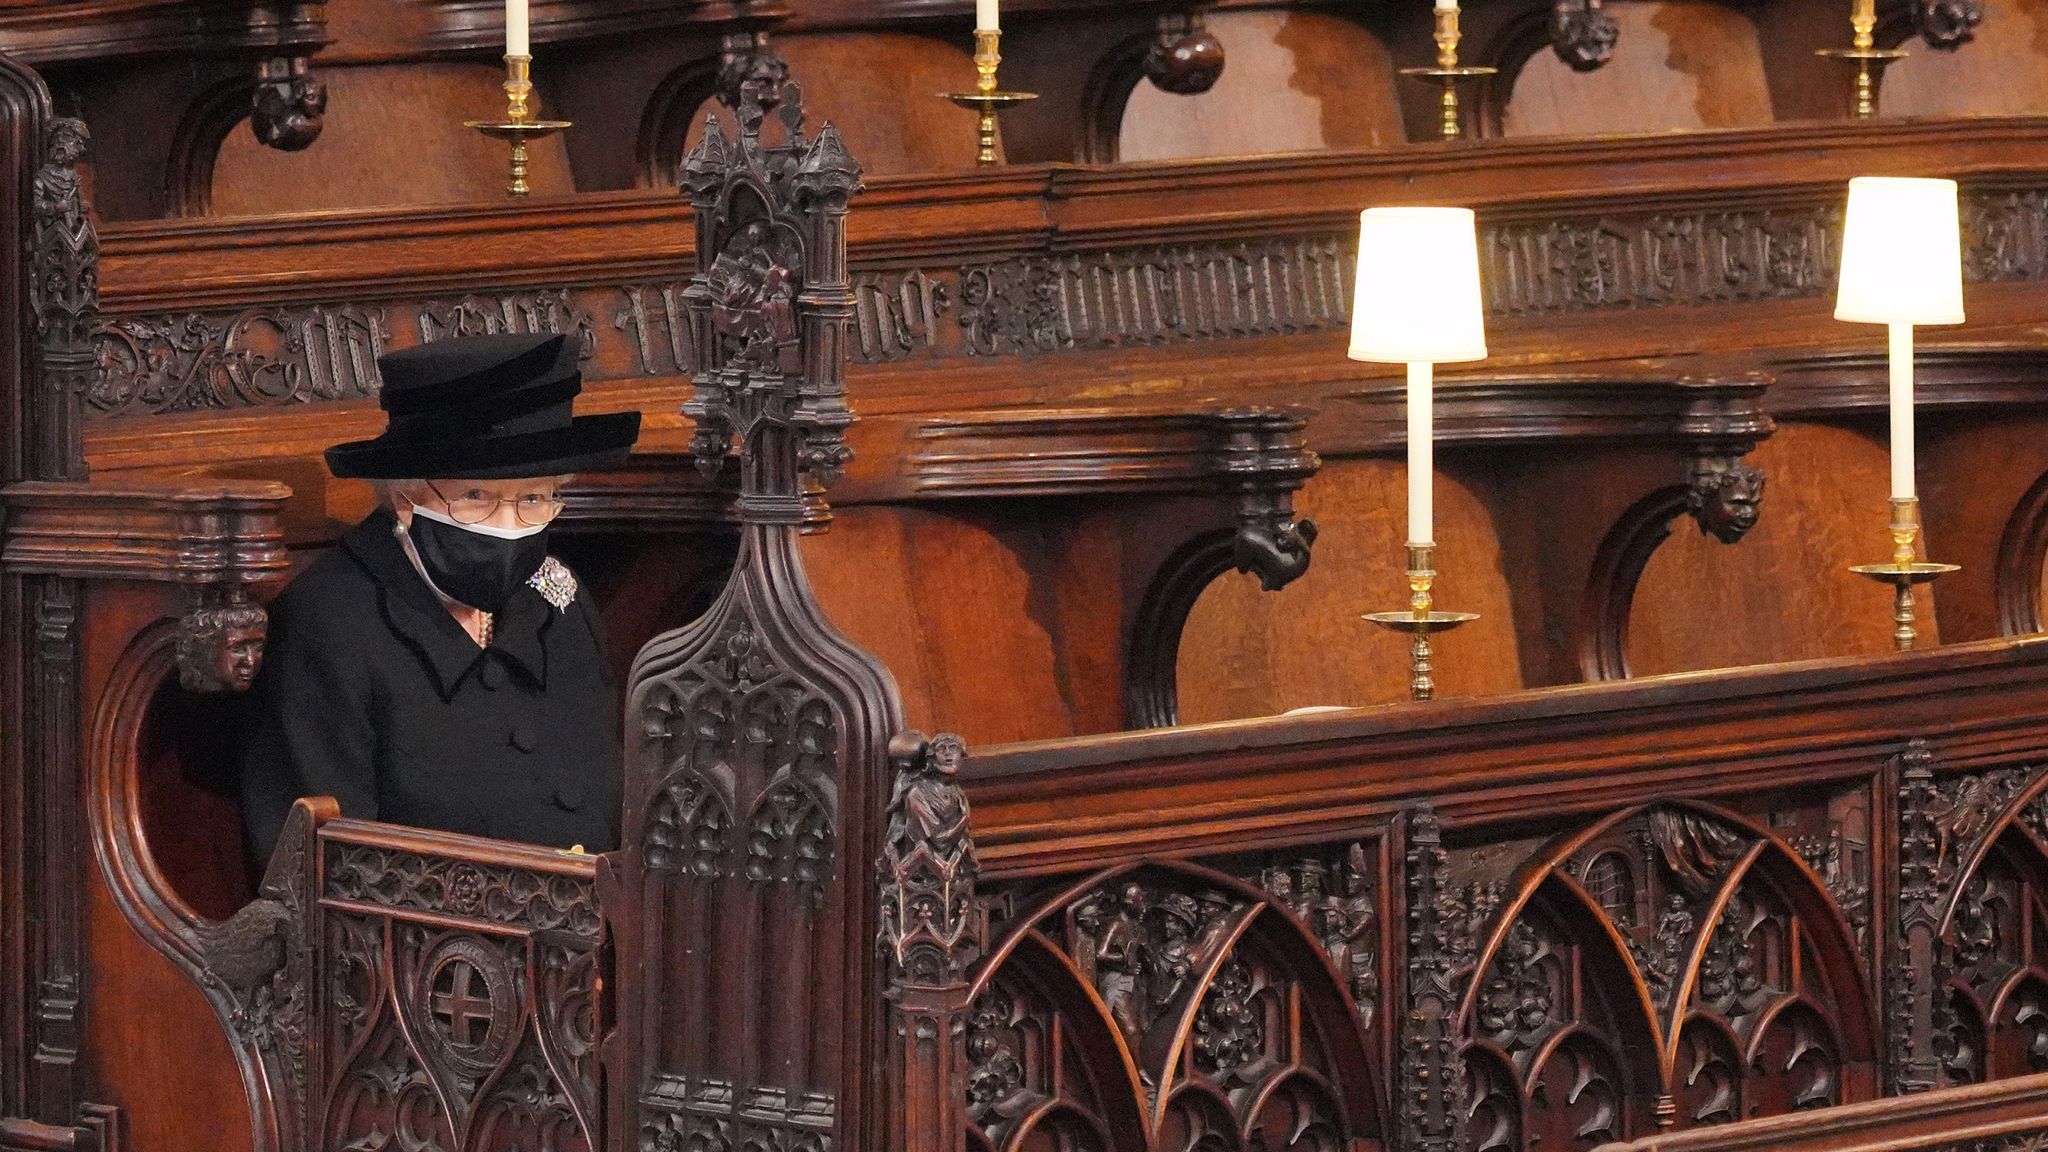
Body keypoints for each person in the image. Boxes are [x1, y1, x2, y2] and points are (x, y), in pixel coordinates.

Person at [239, 332, 641, 862]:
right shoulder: (330, 623)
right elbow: (318, 872)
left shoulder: (559, 602)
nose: (508, 527)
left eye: (534, 498)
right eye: (476, 497)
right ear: (405, 498)